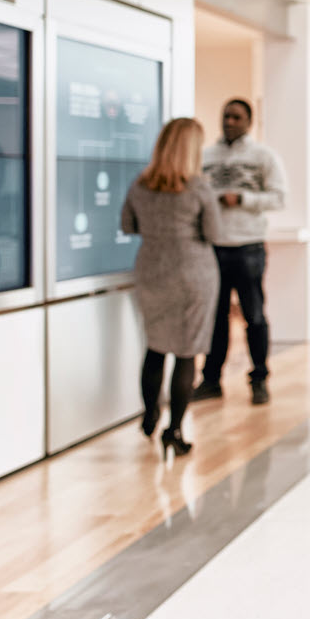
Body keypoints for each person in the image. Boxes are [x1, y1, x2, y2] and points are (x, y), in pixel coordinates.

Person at [121, 117, 221, 457]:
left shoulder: (140, 184)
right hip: (193, 273)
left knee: (155, 346)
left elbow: (127, 224)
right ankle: (174, 430)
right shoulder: (199, 187)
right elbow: (214, 234)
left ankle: (149, 415)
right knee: (186, 351)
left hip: (152, 271)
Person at [196, 98, 287, 406]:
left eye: (236, 117)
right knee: (216, 318)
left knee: (255, 317)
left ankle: (259, 378)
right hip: (213, 247)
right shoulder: (206, 156)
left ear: (249, 121)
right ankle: (211, 380)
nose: (229, 122)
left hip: (248, 247)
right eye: (225, 116)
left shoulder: (263, 156)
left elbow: (278, 197)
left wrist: (243, 199)